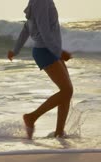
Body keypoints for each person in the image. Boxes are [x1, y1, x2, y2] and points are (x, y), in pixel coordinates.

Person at [7, 0, 73, 139]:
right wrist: (59, 52)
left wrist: (15, 50)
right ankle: (31, 117)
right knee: (67, 90)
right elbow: (44, 32)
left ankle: (59, 133)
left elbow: (27, 28)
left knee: (66, 92)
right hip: (46, 51)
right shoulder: (41, 1)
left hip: (50, 50)